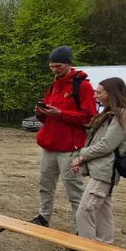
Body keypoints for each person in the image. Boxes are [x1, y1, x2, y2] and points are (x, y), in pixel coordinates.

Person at [62, 78, 126, 251]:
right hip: (101, 170)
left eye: (100, 92)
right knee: (104, 211)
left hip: (105, 172)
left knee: (85, 211)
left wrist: (81, 157)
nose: (95, 95)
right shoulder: (112, 114)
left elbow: (107, 144)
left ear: (112, 94)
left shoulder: (123, 116)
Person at [30, 46, 96, 228]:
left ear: (68, 64)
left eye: (58, 66)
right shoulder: (53, 86)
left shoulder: (82, 86)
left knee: (74, 190)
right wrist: (41, 113)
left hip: (69, 147)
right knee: (45, 184)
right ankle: (43, 216)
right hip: (49, 145)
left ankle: (81, 229)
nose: (55, 70)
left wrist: (60, 113)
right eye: (52, 66)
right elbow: (47, 118)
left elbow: (88, 119)